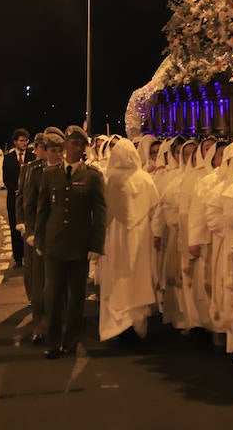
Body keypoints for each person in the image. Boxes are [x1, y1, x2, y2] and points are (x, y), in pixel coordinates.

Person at [34, 125, 106, 359]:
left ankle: (71, 341)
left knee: (76, 297)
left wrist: (96, 245)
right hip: (54, 245)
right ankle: (53, 341)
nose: (78, 148)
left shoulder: (92, 176)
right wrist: (39, 239)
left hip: (79, 246)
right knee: (53, 296)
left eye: (82, 144)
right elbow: (43, 209)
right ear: (65, 145)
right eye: (74, 143)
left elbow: (100, 213)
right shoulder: (50, 174)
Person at [96, 137, 160, 342]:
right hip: (140, 235)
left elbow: (103, 214)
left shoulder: (109, 180)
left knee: (117, 277)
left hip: (116, 236)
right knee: (137, 276)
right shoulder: (145, 179)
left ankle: (118, 324)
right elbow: (155, 208)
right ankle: (137, 322)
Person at [17, 128, 63, 345]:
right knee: (39, 282)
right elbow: (25, 201)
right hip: (38, 232)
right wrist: (28, 230)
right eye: (49, 148)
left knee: (59, 281)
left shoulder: (67, 168)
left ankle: (59, 322)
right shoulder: (31, 170)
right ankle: (40, 325)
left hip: (60, 232)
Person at [3, 128, 34, 267]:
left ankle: (29, 255)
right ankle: (18, 257)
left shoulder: (31, 157)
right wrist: (15, 189)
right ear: (15, 142)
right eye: (21, 140)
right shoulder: (8, 158)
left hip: (28, 198)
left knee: (28, 227)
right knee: (15, 227)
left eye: (26, 140)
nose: (24, 143)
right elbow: (6, 178)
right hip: (14, 198)